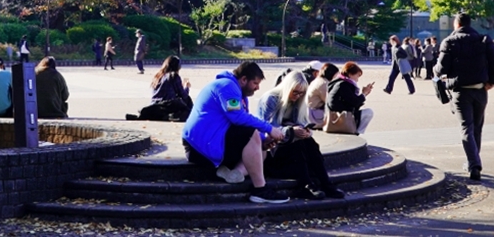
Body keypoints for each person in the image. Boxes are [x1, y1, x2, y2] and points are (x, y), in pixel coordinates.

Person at [182, 61, 290, 204]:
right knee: (251, 133)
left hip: (211, 142)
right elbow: (238, 117)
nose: (257, 88)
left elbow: (241, 121)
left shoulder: (235, 90)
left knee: (261, 149)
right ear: (244, 79)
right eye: (255, 83)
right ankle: (260, 190)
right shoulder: (227, 86)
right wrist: (269, 129)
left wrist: (263, 141)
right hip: (199, 148)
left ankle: (235, 174)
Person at [256, 71, 344, 199]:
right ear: (287, 89)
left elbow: (302, 123)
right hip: (271, 148)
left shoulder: (298, 102)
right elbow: (269, 129)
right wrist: (290, 131)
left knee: (310, 143)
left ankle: (325, 183)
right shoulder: (271, 99)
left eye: (301, 93)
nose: (297, 96)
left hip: (288, 146)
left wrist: (305, 131)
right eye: (295, 92)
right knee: (297, 144)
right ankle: (306, 185)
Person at [434, 13, 494, 181]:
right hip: (480, 89)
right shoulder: (483, 40)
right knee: (477, 128)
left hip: (460, 90)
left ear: (456, 25)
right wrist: (491, 80)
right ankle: (473, 161)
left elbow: (441, 69)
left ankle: (474, 164)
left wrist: (437, 71)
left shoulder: (450, 42)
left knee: (466, 128)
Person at [132, 55, 193, 121]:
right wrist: (186, 87)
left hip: (154, 104)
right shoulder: (173, 76)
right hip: (167, 105)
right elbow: (183, 95)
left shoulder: (158, 76)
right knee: (187, 101)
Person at [325, 61, 374, 134]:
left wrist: (363, 94)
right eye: (357, 76)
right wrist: (364, 94)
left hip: (332, 118)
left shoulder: (338, 82)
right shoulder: (343, 85)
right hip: (341, 118)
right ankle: (357, 133)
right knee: (369, 112)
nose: (357, 79)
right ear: (350, 74)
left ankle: (356, 132)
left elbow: (350, 102)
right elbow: (355, 102)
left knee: (364, 112)